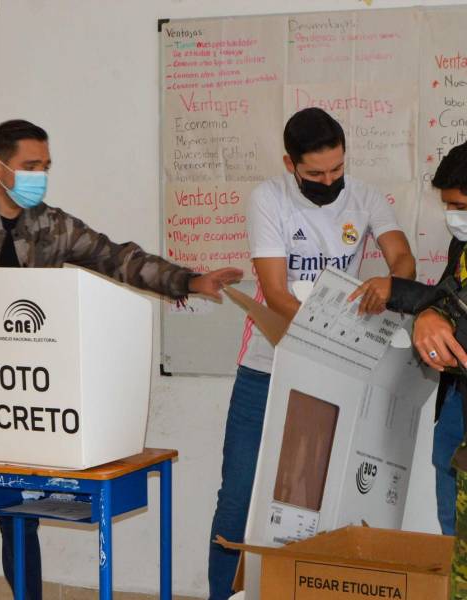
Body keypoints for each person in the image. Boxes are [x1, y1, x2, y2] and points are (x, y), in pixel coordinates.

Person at [0, 119, 243, 600]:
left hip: (17, 394)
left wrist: (190, 281)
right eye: (30, 166)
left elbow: (119, 258)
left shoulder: (52, 225)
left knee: (19, 515)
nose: (40, 176)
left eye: (45, 166)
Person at [208, 107, 416, 600]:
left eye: (337, 169)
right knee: (238, 499)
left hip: (336, 373)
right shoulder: (268, 198)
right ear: (290, 164)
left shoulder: (365, 197)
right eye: (316, 174)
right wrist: (329, 331)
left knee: (313, 503)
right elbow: (276, 293)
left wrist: (392, 283)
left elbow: (402, 258)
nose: (329, 181)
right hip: (266, 368)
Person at [354, 141, 467, 536]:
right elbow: (448, 298)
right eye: (449, 207)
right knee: (450, 501)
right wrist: (407, 297)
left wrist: (410, 297)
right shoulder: (461, 243)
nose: (454, 217)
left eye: (460, 206)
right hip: (457, 393)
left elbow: (452, 310)